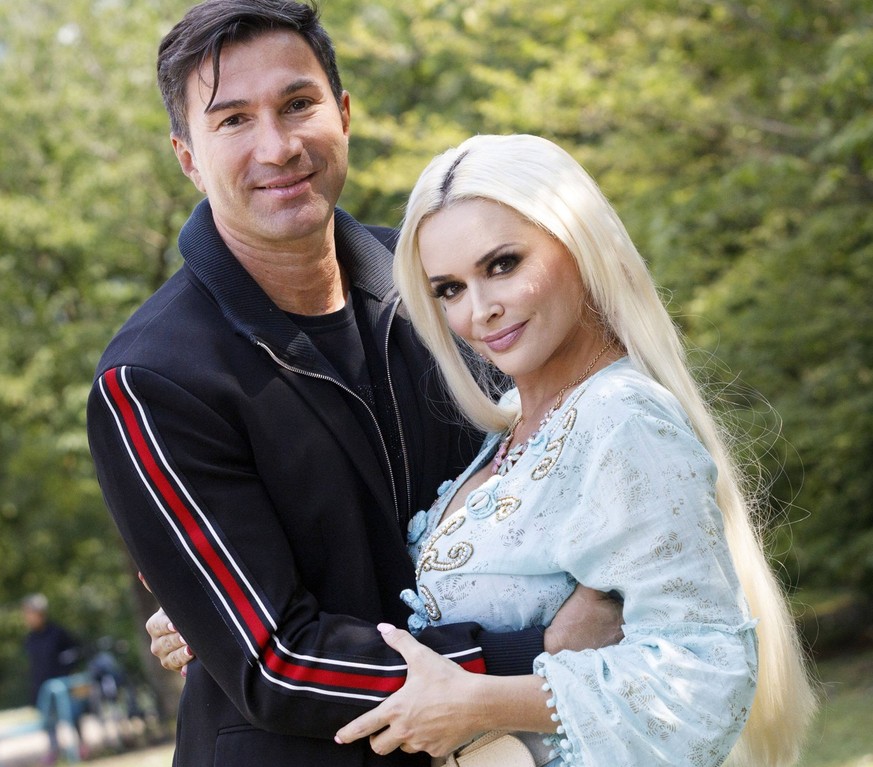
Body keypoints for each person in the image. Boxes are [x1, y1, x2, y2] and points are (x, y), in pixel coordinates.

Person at [86, 3, 620, 766]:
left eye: (297, 104)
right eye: (232, 120)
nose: (278, 146)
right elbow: (273, 660)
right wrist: (527, 653)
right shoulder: (151, 378)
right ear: (188, 157)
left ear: (342, 114)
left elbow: (580, 467)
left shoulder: (439, 286)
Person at [328, 134, 818, 766]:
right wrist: (226, 617)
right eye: (449, 288)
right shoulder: (504, 435)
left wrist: (483, 703)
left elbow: (704, 676)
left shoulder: (621, 418)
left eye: (503, 264)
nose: (481, 310)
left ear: (579, 243)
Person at [21, 594, 86, 764]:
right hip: (41, 686)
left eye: (30, 613)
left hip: (62, 685)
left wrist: (66, 670)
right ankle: (54, 750)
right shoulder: (30, 639)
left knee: (72, 716)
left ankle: (80, 746)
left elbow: (75, 652)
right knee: (49, 723)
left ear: (40, 613)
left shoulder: (58, 632)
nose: (27, 617)